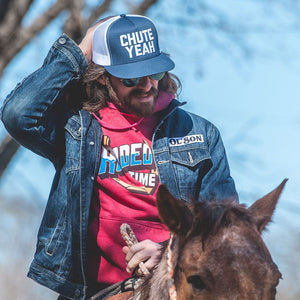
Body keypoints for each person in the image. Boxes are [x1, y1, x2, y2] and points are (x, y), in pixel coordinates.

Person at [1, 14, 238, 300]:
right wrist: (84, 47)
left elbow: (226, 229)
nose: (148, 85)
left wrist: (168, 251)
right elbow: (19, 114)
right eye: (132, 78)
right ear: (102, 75)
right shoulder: (77, 129)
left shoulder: (201, 134)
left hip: (172, 287)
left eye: (156, 73)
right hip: (93, 293)